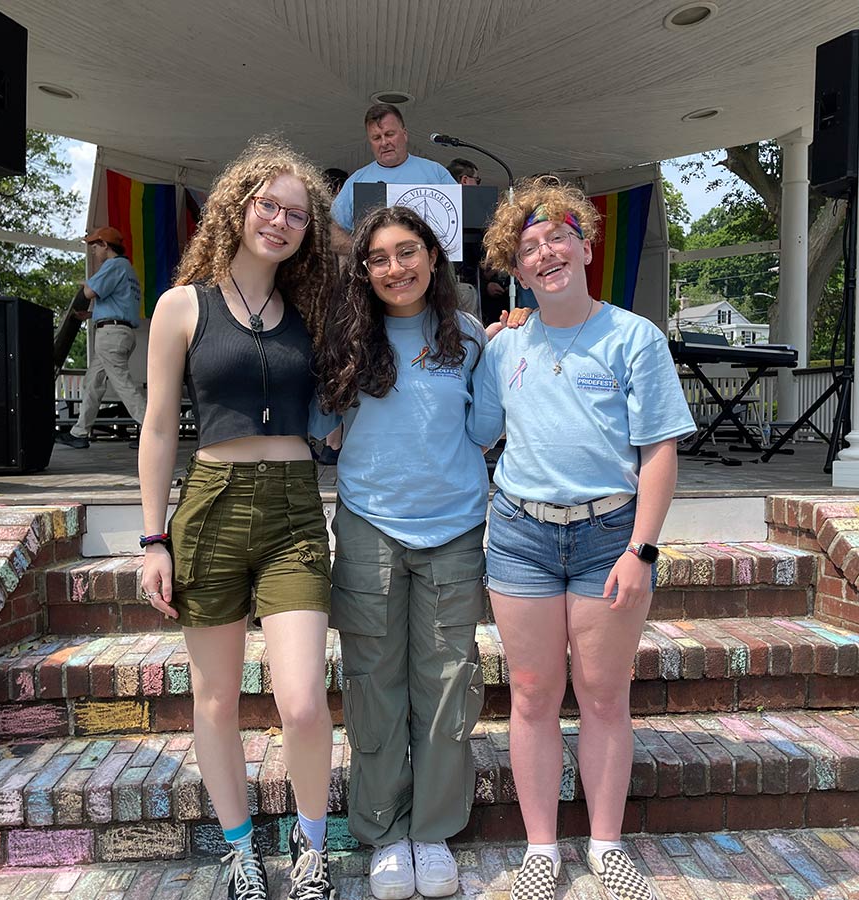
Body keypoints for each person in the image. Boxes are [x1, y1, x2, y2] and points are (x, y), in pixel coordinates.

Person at [472, 178, 695, 900]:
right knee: (534, 695)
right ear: (517, 266)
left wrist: (642, 550)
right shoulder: (506, 349)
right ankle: (542, 847)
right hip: (521, 536)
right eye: (528, 247)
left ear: (586, 242)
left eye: (556, 238)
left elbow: (659, 450)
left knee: (602, 696)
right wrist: (478, 342)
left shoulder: (634, 337)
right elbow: (476, 430)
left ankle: (605, 843)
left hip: (608, 538)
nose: (545, 255)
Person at [138, 139, 338, 900]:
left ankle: (313, 848)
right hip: (209, 509)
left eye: (296, 212)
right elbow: (159, 429)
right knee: (216, 699)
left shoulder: (311, 312)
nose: (280, 221)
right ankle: (239, 849)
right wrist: (153, 536)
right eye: (268, 205)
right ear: (238, 205)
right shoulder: (182, 304)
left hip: (292, 510)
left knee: (302, 701)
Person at [317, 206, 518, 900]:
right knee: (374, 687)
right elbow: (318, 421)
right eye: (378, 257)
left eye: (408, 252)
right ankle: (382, 831)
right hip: (370, 526)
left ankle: (431, 831)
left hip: (454, 530)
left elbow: (488, 425)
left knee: (446, 686)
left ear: (434, 257)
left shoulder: (465, 335)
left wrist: (519, 335)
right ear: (364, 270)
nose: (395, 268)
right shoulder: (345, 335)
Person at [57, 225, 147, 450]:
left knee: (123, 384)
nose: (94, 252)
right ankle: (80, 432)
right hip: (119, 331)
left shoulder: (114, 265)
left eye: (95, 247)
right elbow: (119, 305)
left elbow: (90, 293)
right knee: (92, 382)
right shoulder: (128, 270)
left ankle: (151, 429)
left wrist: (84, 284)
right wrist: (91, 315)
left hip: (111, 335)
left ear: (106, 246)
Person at [330, 103, 457, 254]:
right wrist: (362, 250)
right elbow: (329, 230)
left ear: (404, 134)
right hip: (377, 271)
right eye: (377, 137)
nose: (384, 143)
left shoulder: (435, 172)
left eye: (390, 134)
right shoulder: (357, 181)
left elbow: (462, 218)